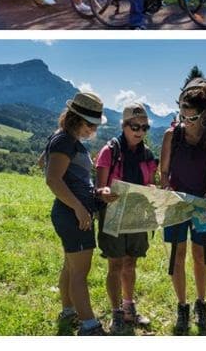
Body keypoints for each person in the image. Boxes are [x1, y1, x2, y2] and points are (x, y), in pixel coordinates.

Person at [44, 92, 113, 336]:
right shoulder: (64, 141)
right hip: (72, 214)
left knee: (71, 267)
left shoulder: (67, 140)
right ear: (76, 119)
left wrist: (97, 192)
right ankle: (88, 326)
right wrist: (79, 208)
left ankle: (69, 311)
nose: (93, 130)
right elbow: (53, 179)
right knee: (80, 273)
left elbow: (72, 178)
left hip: (73, 212)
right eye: (90, 124)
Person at [159, 85, 206, 335]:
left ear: (204, 115)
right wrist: (165, 188)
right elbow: (164, 172)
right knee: (177, 253)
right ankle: (182, 305)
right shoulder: (171, 135)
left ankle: (201, 303)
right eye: (182, 114)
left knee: (200, 255)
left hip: (200, 205)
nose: (186, 121)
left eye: (191, 117)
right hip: (175, 202)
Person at [94, 102, 159, 335]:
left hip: (137, 214)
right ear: (124, 125)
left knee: (131, 262)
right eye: (134, 126)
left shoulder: (148, 154)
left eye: (144, 127)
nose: (140, 131)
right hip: (113, 214)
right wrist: (104, 192)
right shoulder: (109, 151)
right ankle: (116, 313)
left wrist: (151, 188)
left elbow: (150, 182)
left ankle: (129, 307)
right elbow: (99, 188)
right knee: (115, 264)